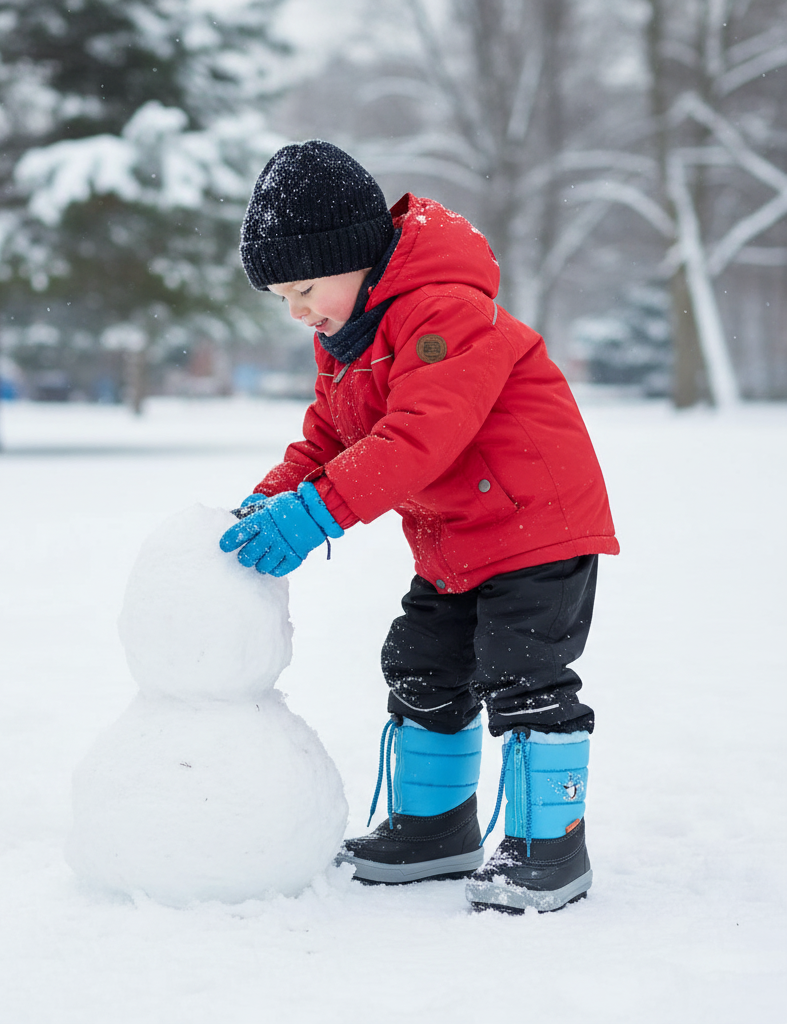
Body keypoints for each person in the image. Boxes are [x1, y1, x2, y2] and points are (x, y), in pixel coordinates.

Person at [218, 141, 618, 914]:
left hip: (536, 527)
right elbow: (328, 440)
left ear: (356, 258)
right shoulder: (347, 339)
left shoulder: (445, 314)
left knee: (522, 673)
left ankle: (551, 848)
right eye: (281, 299)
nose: (297, 311)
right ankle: (434, 827)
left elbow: (418, 438)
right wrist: (266, 502)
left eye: (304, 288)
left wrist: (317, 513)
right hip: (456, 538)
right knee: (422, 662)